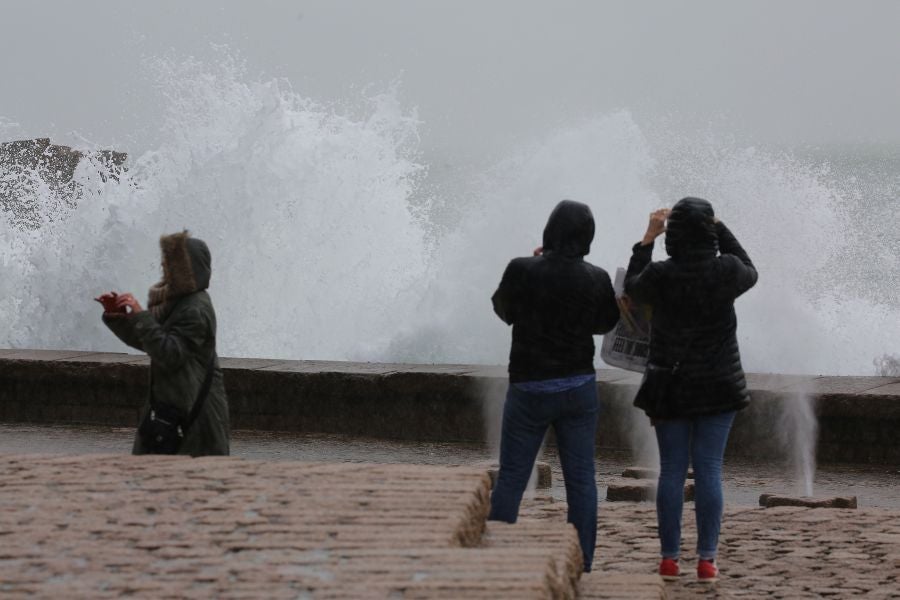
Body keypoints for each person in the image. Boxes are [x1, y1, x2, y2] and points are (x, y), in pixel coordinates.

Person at [624, 198, 757, 583]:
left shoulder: (662, 276)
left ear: (674, 237)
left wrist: (648, 237)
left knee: (671, 471)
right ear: (709, 234)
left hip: (671, 387)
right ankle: (707, 561)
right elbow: (749, 266)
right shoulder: (726, 271)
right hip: (718, 385)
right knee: (709, 469)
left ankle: (669, 559)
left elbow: (633, 288)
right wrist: (720, 226)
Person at [488, 199, 620, 573]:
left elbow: (504, 311)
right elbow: (605, 324)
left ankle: (495, 556)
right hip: (578, 389)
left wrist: (534, 267)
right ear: (587, 237)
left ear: (550, 231)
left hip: (529, 389)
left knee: (512, 477)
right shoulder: (596, 277)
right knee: (581, 482)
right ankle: (583, 562)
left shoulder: (522, 269)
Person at [96, 231, 230, 456]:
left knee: (191, 482)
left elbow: (170, 354)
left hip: (195, 418)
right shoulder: (177, 302)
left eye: (170, 261)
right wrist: (118, 317)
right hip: (174, 411)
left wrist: (141, 315)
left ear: (186, 269)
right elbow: (152, 342)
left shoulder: (194, 309)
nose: (162, 264)